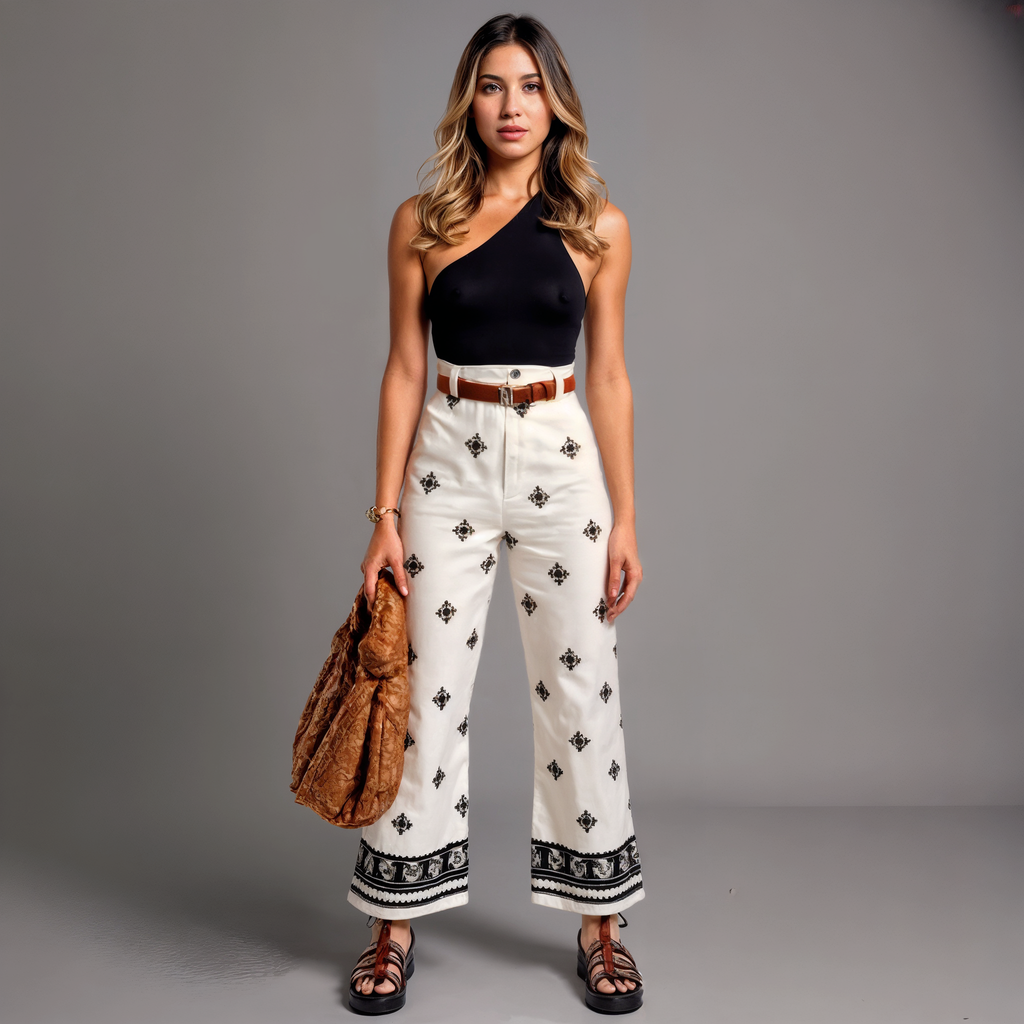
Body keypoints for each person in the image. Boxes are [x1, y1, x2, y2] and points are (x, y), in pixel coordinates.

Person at [347, 13, 645, 1015]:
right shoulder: (420, 222)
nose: (511, 106)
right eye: (491, 85)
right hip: (449, 458)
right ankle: (393, 923)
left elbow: (609, 376)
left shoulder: (598, 227)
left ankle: (600, 925)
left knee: (582, 691)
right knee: (422, 691)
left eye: (529, 86)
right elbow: (403, 370)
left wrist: (627, 519)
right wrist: (383, 514)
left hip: (561, 458)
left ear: (556, 102)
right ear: (467, 102)